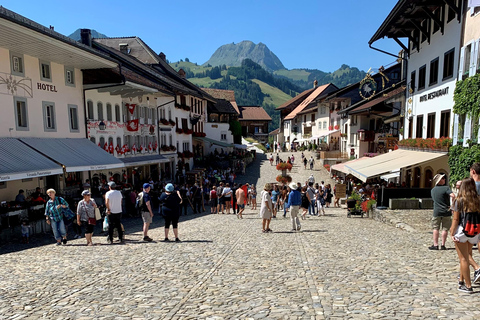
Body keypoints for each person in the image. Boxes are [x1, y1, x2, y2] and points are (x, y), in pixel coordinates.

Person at [450, 178, 480, 293]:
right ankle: (461, 280)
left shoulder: (460, 201)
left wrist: (452, 232)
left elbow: (456, 219)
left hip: (462, 231)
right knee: (466, 256)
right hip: (474, 231)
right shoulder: (477, 200)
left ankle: (468, 286)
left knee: (463, 258)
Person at [430, 174, 454, 250]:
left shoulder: (433, 190)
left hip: (437, 211)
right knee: (445, 228)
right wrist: (452, 205)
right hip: (446, 211)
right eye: (443, 178)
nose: (444, 179)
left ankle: (435, 245)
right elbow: (453, 195)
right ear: (439, 181)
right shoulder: (446, 188)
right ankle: (443, 245)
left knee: (435, 228)